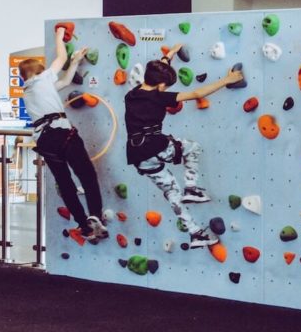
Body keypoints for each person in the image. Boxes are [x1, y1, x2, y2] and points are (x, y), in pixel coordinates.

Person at [124, 44, 243, 248]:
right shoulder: (160, 96)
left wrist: (167, 57)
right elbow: (197, 94)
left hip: (138, 155)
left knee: (171, 192)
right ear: (161, 85)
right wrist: (227, 80)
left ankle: (196, 233)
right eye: (166, 85)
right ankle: (191, 188)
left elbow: (155, 73)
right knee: (192, 147)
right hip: (157, 146)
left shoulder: (132, 94)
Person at [20, 27, 108, 242]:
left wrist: (76, 61)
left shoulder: (30, 90)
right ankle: (95, 214)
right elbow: (61, 57)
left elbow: (65, 82)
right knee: (86, 175)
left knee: (65, 182)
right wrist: (60, 34)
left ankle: (84, 225)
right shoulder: (42, 79)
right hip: (61, 132)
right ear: (39, 71)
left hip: (45, 140)